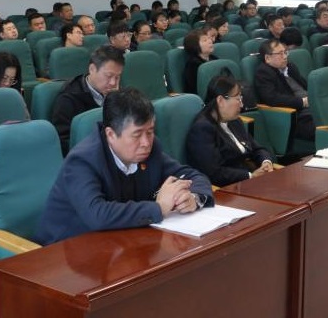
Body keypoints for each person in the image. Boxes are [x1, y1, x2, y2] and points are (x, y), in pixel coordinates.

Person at [35, 88, 214, 245]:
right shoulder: (82, 161)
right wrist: (159, 208)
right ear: (111, 134)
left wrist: (193, 198)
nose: (146, 142)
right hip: (66, 252)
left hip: (122, 242)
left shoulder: (151, 150)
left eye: (150, 132)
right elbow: (97, 214)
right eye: (137, 135)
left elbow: (192, 176)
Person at [186, 75, 274, 186]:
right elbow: (214, 173)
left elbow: (256, 148)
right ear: (220, 100)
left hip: (249, 180)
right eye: (238, 99)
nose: (242, 105)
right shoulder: (202, 129)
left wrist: (266, 162)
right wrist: (250, 176)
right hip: (228, 188)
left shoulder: (234, 120)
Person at [50, 46, 125, 156]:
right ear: (92, 69)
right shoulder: (69, 98)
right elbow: (63, 142)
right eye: (108, 76)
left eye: (117, 77)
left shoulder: (118, 93)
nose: (113, 83)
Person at [255, 39, 314, 141]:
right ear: (268, 58)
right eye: (280, 53)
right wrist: (302, 102)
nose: (285, 56)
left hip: (311, 108)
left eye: (285, 52)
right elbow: (272, 98)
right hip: (295, 116)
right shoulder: (263, 73)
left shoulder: (290, 67)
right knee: (324, 126)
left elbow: (305, 86)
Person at [183, 29, 216, 93]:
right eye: (205, 40)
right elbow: (198, 89)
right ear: (195, 46)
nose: (210, 41)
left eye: (209, 38)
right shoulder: (193, 65)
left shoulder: (214, 58)